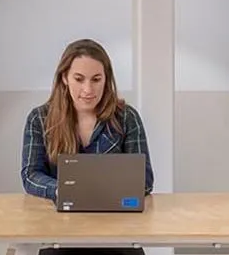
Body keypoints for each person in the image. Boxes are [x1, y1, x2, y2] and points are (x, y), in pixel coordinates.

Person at [20, 38, 154, 202]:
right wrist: (62, 190)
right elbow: (30, 175)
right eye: (79, 79)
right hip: (56, 220)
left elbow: (145, 181)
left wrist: (92, 190)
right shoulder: (39, 119)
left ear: (106, 79)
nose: (88, 89)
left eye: (96, 79)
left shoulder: (127, 117)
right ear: (64, 78)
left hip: (114, 220)